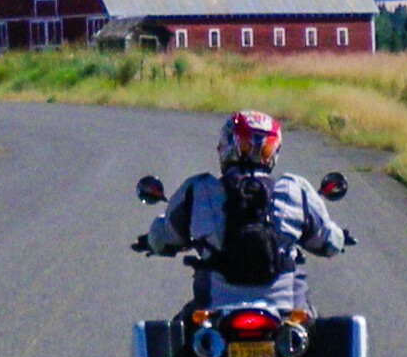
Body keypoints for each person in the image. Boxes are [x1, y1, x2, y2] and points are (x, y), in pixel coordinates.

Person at [146, 109, 350, 310]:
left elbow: (165, 236)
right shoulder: (295, 188)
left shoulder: (198, 188)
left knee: (182, 330)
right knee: (317, 332)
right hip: (285, 305)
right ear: (273, 151)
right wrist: (340, 237)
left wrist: (152, 240)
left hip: (215, 304)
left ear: (226, 145)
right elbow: (328, 241)